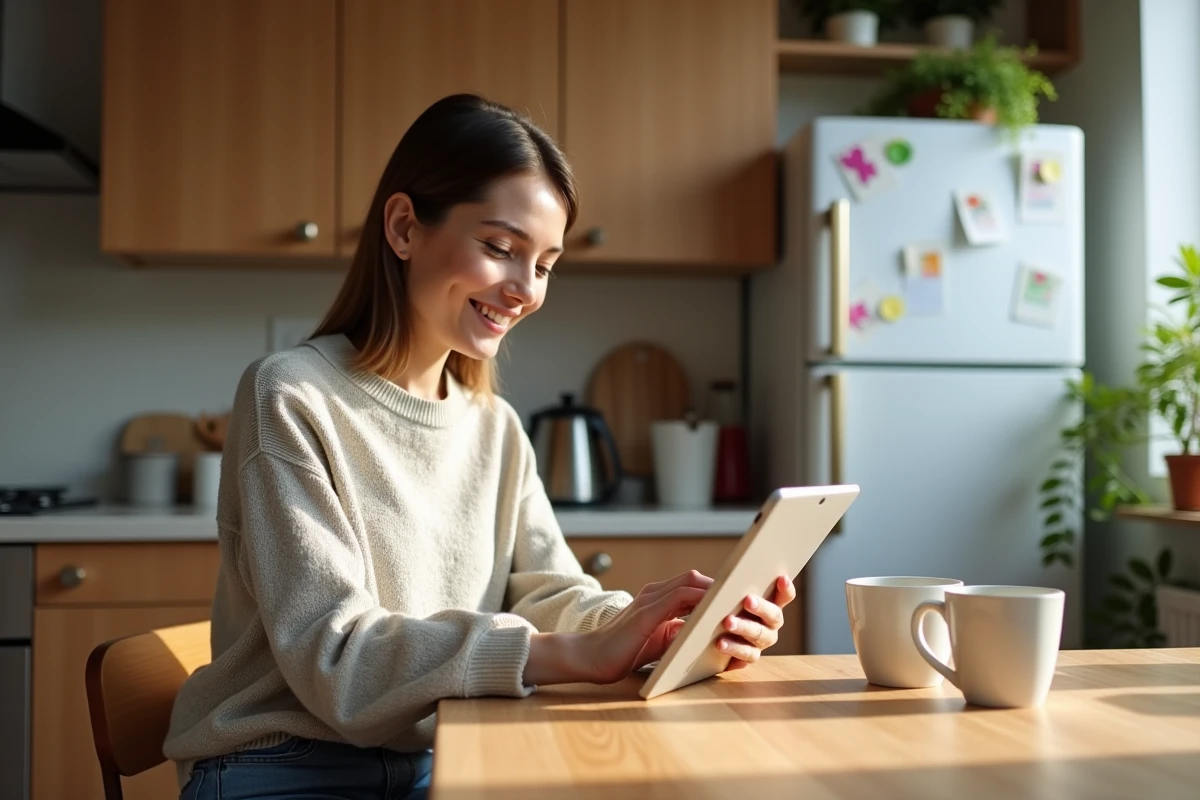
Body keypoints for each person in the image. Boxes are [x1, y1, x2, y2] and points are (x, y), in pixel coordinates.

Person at [163, 93, 795, 800]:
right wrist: (576, 654)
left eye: (547, 263)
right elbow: (336, 660)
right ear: (404, 228)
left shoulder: (494, 426)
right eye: (501, 248)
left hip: (436, 756)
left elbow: (547, 592)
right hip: (283, 766)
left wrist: (654, 631)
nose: (525, 289)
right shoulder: (290, 394)